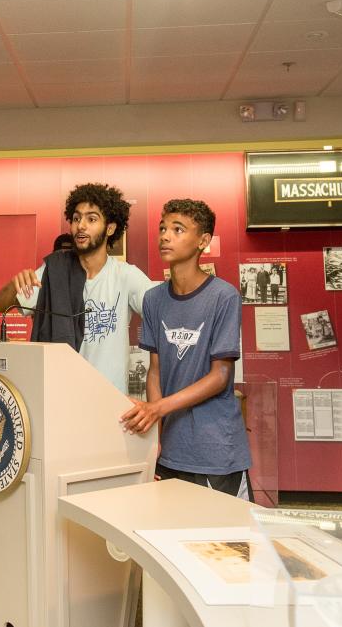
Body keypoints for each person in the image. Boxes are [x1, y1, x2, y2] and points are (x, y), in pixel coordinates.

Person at [121, 199, 252, 500]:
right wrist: (156, 428)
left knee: (223, 543)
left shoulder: (224, 296)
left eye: (178, 229)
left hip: (216, 449)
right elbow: (156, 370)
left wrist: (157, 409)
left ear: (203, 241)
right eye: (163, 228)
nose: (165, 236)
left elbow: (220, 376)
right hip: (171, 450)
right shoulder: (153, 299)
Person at [0, 183, 156, 398]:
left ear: (110, 228)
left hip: (109, 401)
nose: (81, 226)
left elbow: (161, 313)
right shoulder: (54, 270)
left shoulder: (125, 276)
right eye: (77, 218)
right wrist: (14, 284)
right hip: (61, 396)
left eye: (91, 219)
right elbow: (0, 305)